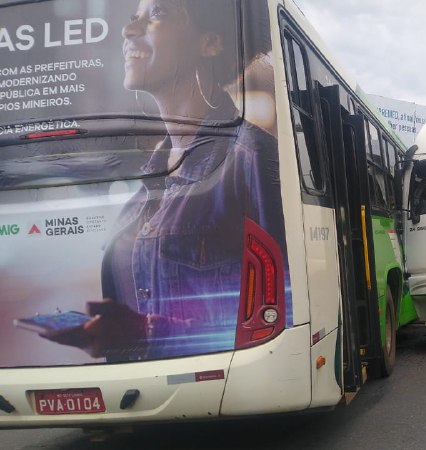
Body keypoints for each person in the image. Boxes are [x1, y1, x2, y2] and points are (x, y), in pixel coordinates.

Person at [46, 0, 287, 360]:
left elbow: (281, 307)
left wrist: (146, 330)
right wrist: (119, 328)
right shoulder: (148, 184)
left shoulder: (250, 158)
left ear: (210, 43)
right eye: (133, 17)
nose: (129, 30)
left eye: (157, 13)